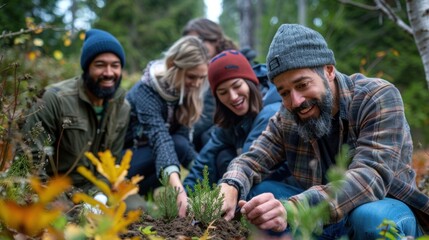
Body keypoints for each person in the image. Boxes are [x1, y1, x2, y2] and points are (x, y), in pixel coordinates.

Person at [218, 24, 429, 239]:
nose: (296, 101)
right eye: (284, 92)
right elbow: (252, 160)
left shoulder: (377, 97)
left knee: (369, 218)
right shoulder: (287, 115)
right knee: (259, 198)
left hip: (383, 208)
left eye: (302, 85)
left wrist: (293, 209)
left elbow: (369, 179)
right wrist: (230, 184)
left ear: (329, 70)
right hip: (323, 218)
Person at [22, 29, 130, 196]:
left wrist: (99, 197)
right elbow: (31, 164)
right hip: (55, 192)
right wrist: (70, 206)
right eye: (100, 65)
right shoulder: (53, 99)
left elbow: (112, 164)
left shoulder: (122, 108)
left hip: (95, 191)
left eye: (115, 65)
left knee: (138, 210)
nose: (109, 73)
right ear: (86, 68)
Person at [124, 35, 210, 217]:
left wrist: (208, 179)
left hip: (151, 167)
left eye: (201, 78)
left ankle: (209, 189)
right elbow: (160, 139)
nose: (196, 84)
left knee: (181, 144)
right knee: (174, 144)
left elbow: (184, 145)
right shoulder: (145, 91)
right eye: (192, 76)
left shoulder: (185, 91)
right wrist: (179, 192)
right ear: (173, 65)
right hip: (126, 165)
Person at [183, 50, 281, 189]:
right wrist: (182, 194)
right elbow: (206, 158)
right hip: (245, 179)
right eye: (223, 92)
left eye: (237, 86)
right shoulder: (231, 117)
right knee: (221, 155)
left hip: (279, 187)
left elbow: (248, 164)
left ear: (250, 82)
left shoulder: (270, 112)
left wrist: (217, 199)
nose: (233, 96)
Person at [182, 18, 238, 152]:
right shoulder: (197, 68)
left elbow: (209, 114)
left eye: (199, 41)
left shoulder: (227, 65)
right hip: (205, 131)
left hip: (230, 129)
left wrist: (183, 136)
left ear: (214, 39)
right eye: (190, 43)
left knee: (207, 137)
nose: (195, 47)